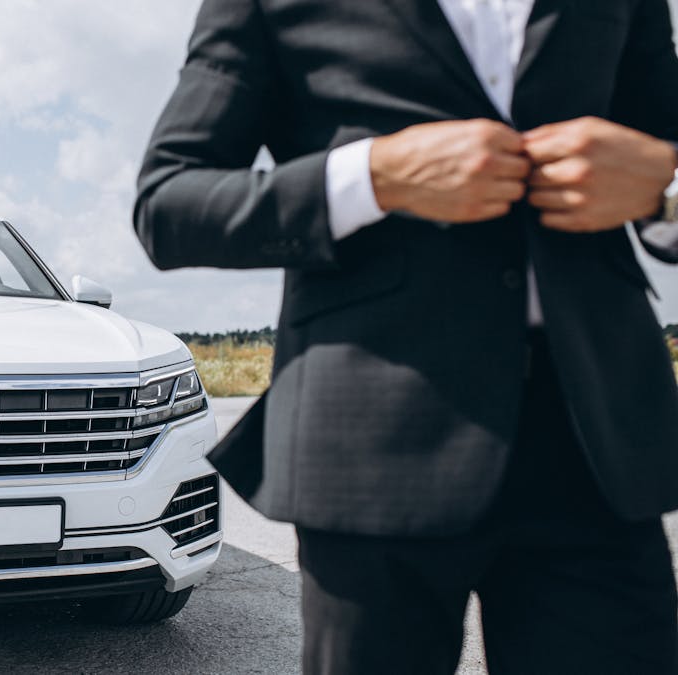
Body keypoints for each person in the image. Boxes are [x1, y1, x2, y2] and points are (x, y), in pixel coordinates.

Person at [133, 1, 678, 672]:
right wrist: (373, 176)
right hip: (371, 441)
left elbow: (663, 143)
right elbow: (168, 204)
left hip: (594, 437)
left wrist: (663, 184)